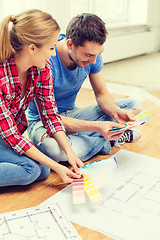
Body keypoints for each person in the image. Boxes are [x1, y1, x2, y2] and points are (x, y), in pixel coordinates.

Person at [27, 13, 142, 163]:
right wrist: (97, 127)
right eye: (88, 55)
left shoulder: (93, 55)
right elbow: (49, 117)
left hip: (73, 115)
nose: (94, 60)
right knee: (56, 151)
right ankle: (104, 141)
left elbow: (101, 94)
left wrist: (115, 111)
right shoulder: (46, 60)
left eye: (98, 54)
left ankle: (89, 138)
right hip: (42, 122)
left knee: (133, 106)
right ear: (70, 44)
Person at [0, 9, 94, 187]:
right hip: (5, 135)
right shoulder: (1, 76)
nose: (53, 54)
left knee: (43, 170)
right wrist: (58, 168)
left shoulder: (41, 69)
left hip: (8, 135)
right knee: (32, 170)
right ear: (33, 48)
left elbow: (50, 115)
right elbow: (12, 137)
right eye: (51, 48)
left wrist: (69, 153)